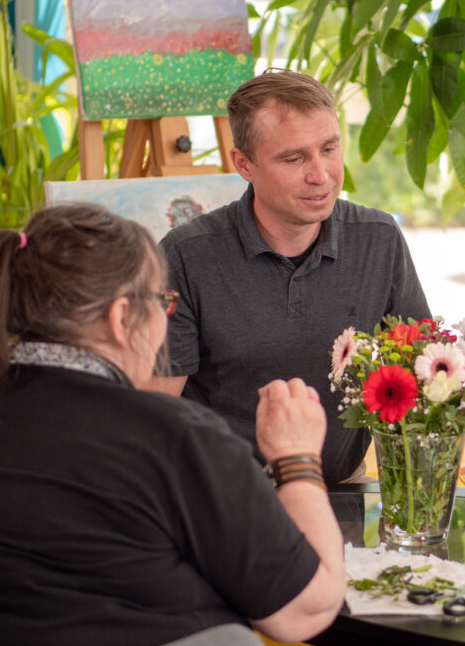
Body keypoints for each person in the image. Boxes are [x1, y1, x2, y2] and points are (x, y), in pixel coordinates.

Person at [0, 204, 452, 646]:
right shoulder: (170, 432)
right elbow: (303, 611)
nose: (166, 321)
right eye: (161, 304)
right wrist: (297, 457)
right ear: (120, 318)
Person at [157, 70, 431, 485]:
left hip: (344, 488)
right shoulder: (186, 255)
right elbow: (154, 411)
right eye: (294, 158)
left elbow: (424, 377)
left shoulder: (379, 240)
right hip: (222, 497)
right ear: (244, 164)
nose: (320, 174)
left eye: (328, 149)